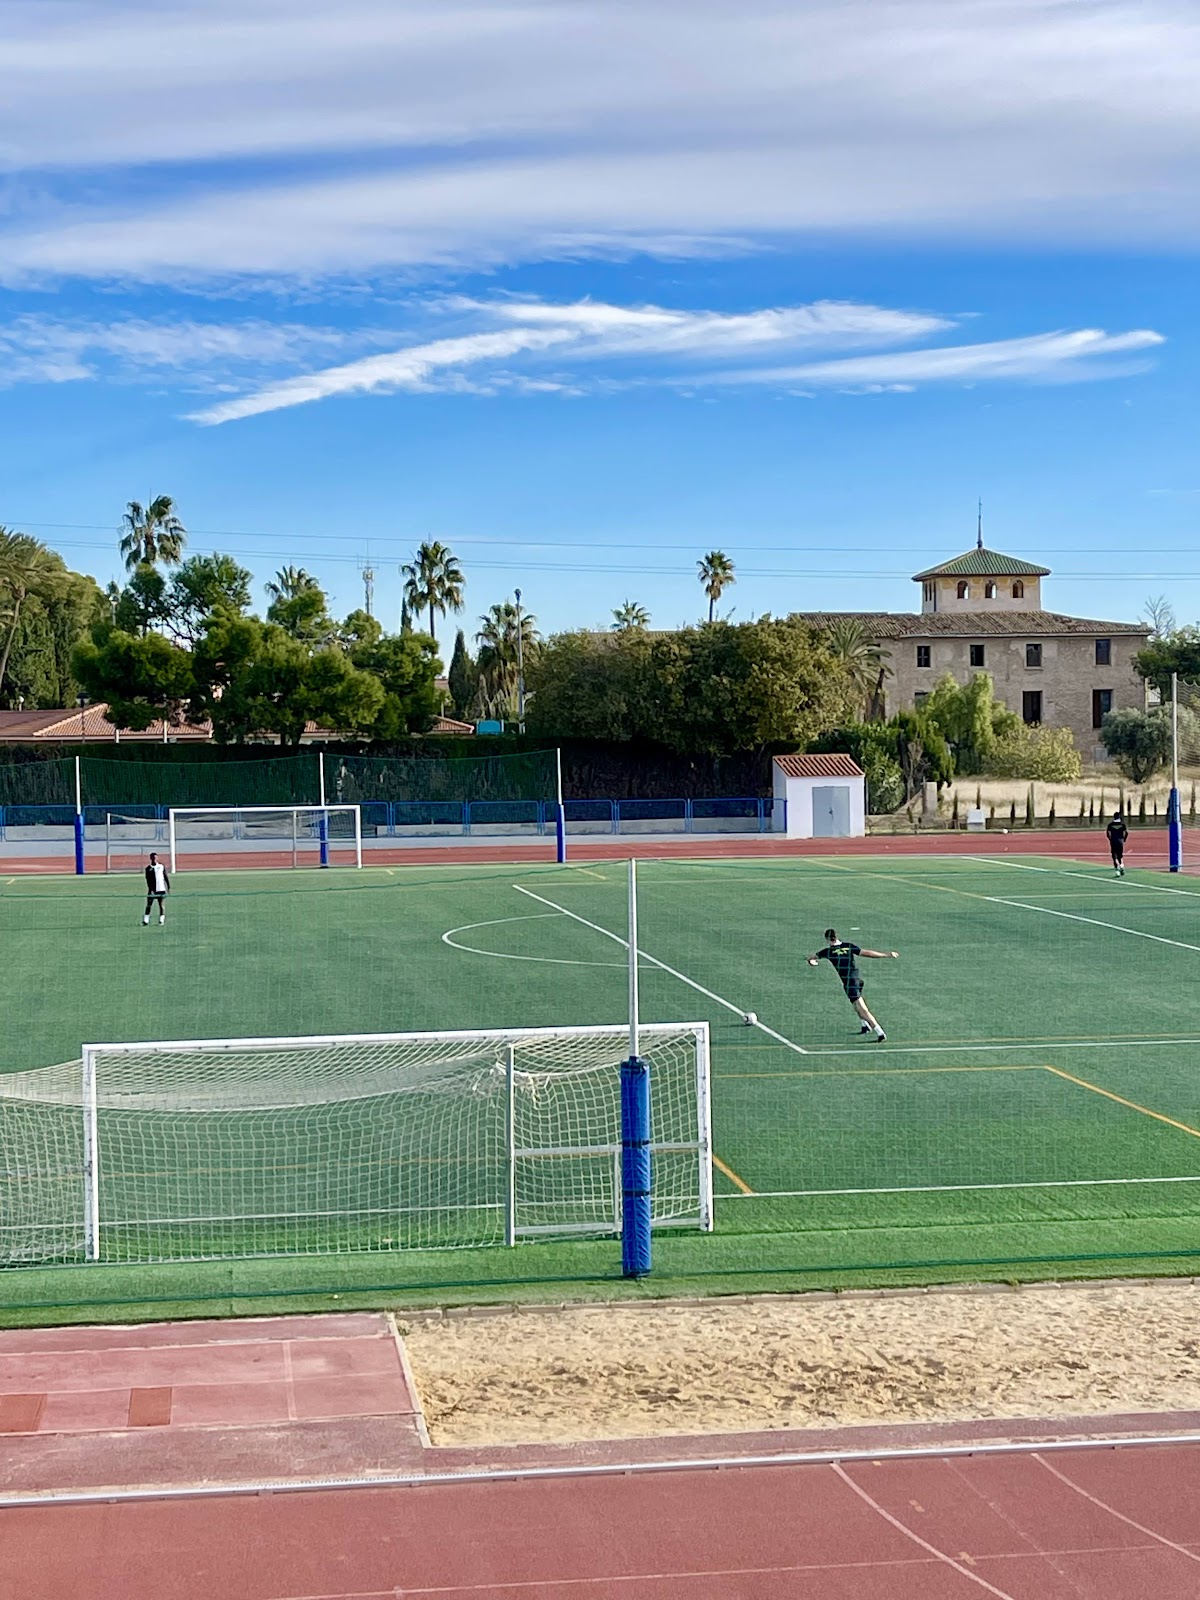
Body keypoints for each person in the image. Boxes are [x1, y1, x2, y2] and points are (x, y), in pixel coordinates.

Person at [807, 927, 898, 1041]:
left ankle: (879, 1032)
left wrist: (812, 962)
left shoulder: (827, 952)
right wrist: (886, 955)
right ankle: (864, 1025)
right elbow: (868, 953)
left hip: (849, 983)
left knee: (862, 1009)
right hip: (857, 980)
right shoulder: (848, 946)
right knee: (855, 1004)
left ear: (827, 939)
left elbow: (811, 958)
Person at [143, 852, 169, 925]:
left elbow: (166, 877)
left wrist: (168, 887)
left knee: (161, 905)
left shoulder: (161, 866)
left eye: (155, 858)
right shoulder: (148, 869)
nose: (154, 859)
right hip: (152, 890)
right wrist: (150, 890)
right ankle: (146, 920)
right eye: (153, 858)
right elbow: (148, 880)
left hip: (161, 889)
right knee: (149, 905)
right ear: (150, 858)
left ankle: (161, 920)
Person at [1106, 812, 1128, 877]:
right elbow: (1126, 833)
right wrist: (1124, 840)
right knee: (1120, 856)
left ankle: (1117, 870)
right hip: (1120, 841)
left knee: (1114, 856)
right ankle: (1122, 866)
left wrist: (1110, 839)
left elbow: (1107, 833)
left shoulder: (1110, 825)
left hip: (1113, 841)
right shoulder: (1122, 824)